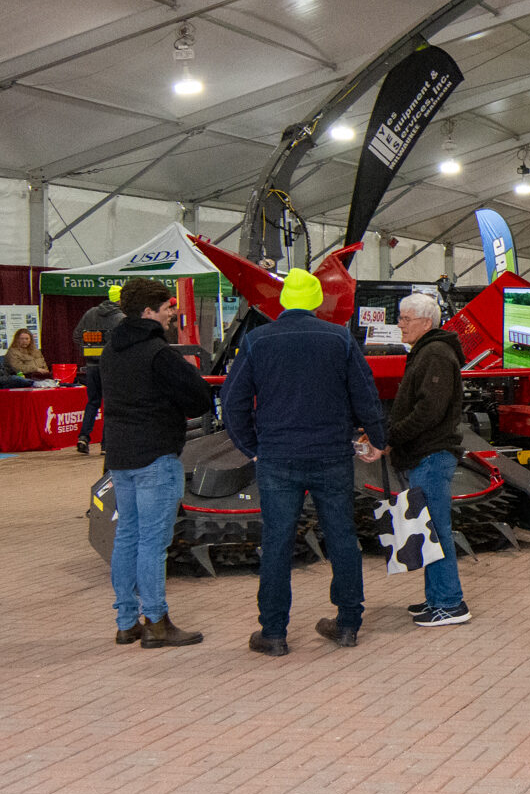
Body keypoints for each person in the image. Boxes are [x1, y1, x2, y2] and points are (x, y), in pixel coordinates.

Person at [222, 269, 388, 657]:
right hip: (331, 455)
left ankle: (274, 633)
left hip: (277, 457)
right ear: (316, 301)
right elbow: (365, 395)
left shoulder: (257, 341)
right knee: (343, 538)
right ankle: (348, 624)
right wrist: (377, 439)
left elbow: (232, 402)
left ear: (283, 301)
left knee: (277, 542)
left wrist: (252, 447)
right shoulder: (340, 339)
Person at [100, 277, 213, 649]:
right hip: (155, 455)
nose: (170, 316)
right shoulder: (159, 353)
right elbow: (198, 397)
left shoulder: (109, 350)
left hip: (120, 455)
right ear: (149, 311)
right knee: (153, 542)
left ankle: (126, 621)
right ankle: (158, 621)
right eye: (166, 309)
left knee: (127, 536)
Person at [388, 293, 472, 627]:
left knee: (435, 530)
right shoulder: (428, 351)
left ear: (426, 322)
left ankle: (451, 604)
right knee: (429, 531)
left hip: (432, 456)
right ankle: (437, 598)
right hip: (425, 455)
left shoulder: (435, 353)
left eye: (405, 319)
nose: (400, 325)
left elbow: (429, 409)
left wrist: (392, 437)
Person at [72, 285, 125, 454]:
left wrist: (90, 346)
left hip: (91, 366)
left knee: (92, 402)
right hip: (112, 368)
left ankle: (83, 437)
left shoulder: (90, 313)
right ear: (120, 299)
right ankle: (105, 444)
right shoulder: (121, 318)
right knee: (110, 404)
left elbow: (77, 335)